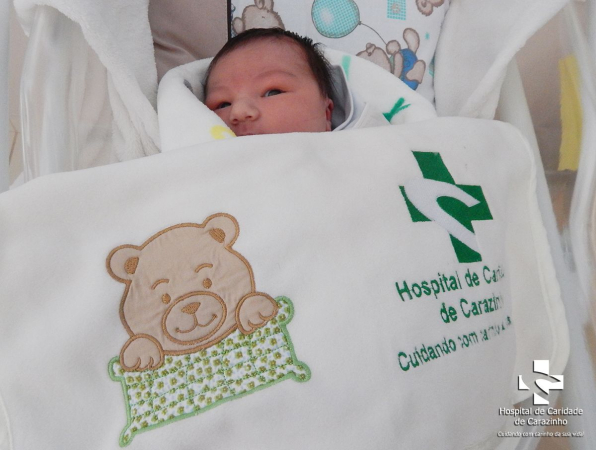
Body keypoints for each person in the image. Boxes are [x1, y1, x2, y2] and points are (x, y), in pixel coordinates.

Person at [203, 28, 388, 137]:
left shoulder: (365, 149)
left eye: (273, 92)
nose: (238, 112)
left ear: (326, 113)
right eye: (223, 104)